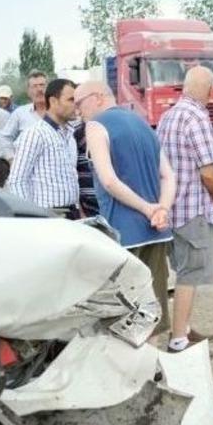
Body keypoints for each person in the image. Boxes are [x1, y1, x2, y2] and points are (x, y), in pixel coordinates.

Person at [76, 81, 176, 337]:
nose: (78, 111)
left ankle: (132, 362)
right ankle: (153, 359)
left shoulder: (96, 126)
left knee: (124, 315)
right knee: (152, 310)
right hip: (157, 231)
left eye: (79, 103)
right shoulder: (143, 123)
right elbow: (168, 175)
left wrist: (147, 208)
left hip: (123, 233)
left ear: (98, 97)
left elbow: (109, 181)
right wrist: (162, 209)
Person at [157, 66, 213, 352]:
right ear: (211, 90)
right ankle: (178, 340)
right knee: (190, 274)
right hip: (191, 209)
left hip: (171, 208)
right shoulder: (197, 116)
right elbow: (209, 172)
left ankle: (183, 327)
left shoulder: (168, 115)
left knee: (183, 270)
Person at [5, 79, 79, 215]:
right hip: (48, 214)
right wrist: (30, 216)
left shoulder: (69, 134)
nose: (76, 104)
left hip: (71, 211)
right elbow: (17, 180)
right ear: (53, 101)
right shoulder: (36, 134)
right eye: (71, 100)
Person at [0, 70, 47, 153]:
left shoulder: (59, 112)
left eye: (42, 85)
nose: (39, 89)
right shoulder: (20, 113)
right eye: (34, 86)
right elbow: (5, 137)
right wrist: (11, 157)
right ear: (28, 92)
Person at [71, 120, 100, 217]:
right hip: (88, 209)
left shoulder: (113, 128)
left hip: (113, 205)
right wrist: (80, 211)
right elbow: (71, 174)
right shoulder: (76, 131)